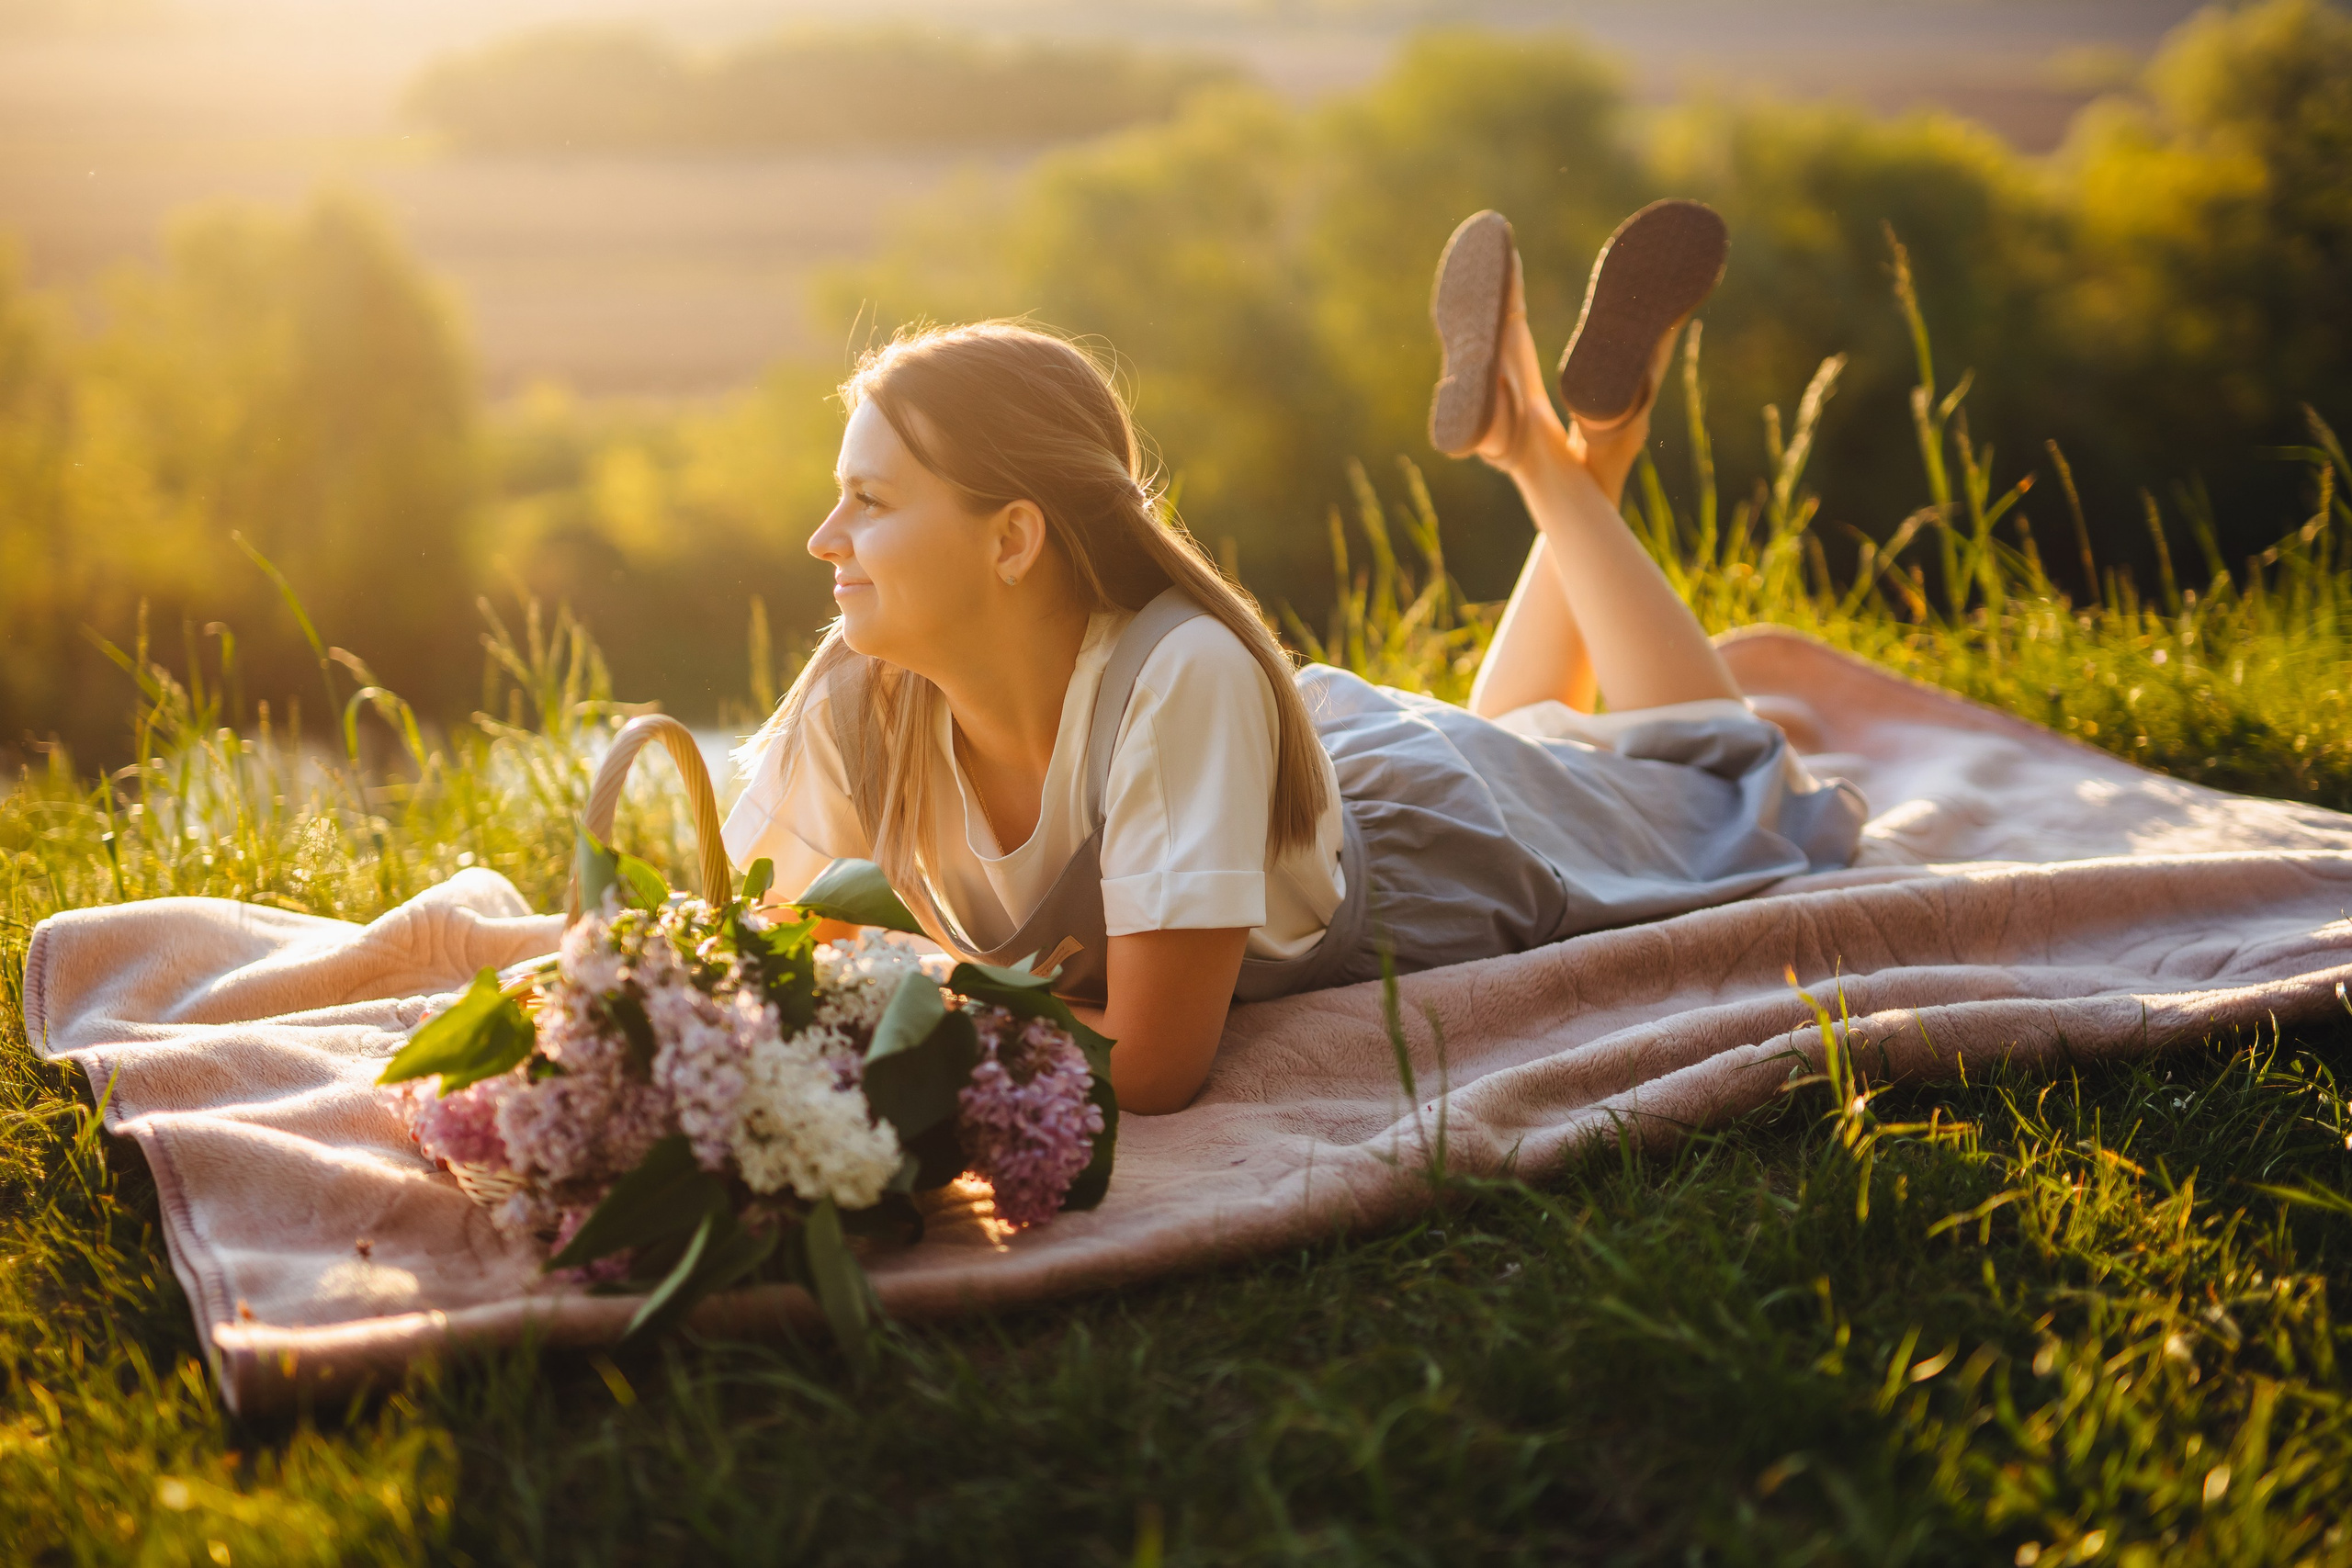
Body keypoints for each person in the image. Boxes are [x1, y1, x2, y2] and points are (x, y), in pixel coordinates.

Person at [724, 201, 1866, 1115]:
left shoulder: (1181, 675)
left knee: (1721, 786)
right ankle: (1553, 450)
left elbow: (1155, 1066)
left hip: (1435, 853)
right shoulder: (858, 695)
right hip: (1312, 769)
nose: (824, 541)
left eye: (868, 503)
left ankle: (1564, 453)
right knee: (1534, 737)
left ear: (1013, 538)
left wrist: (905, 998)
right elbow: (757, 952)